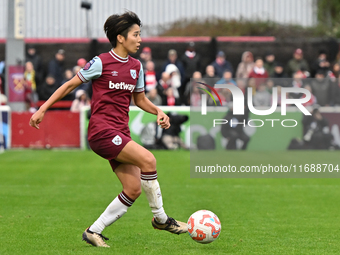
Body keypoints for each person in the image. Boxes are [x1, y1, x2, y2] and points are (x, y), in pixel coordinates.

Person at [29, 11, 187, 248]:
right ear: (120, 37)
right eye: (136, 34)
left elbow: (140, 100)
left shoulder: (136, 66)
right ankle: (162, 220)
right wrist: (43, 109)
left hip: (120, 133)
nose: (140, 39)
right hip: (101, 132)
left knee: (133, 189)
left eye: (140, 34)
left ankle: (94, 231)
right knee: (149, 161)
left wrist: (159, 112)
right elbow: (70, 85)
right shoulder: (101, 62)